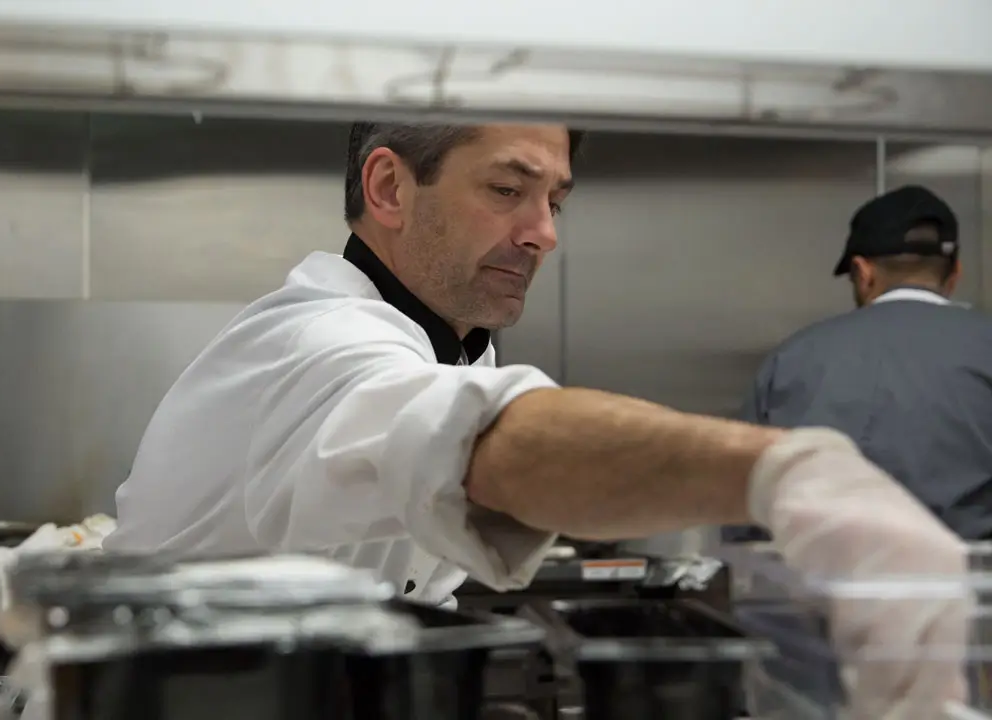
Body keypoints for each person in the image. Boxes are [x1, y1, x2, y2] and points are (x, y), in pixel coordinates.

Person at [103, 123, 969, 716]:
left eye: (555, 200)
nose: (544, 232)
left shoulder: (448, 344)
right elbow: (487, 440)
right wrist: (787, 473)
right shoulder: (313, 340)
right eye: (509, 189)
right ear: (389, 186)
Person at [725, 185, 992, 544]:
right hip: (973, 594)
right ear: (955, 272)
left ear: (863, 272)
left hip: (814, 593)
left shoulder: (792, 358)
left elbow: (745, 500)